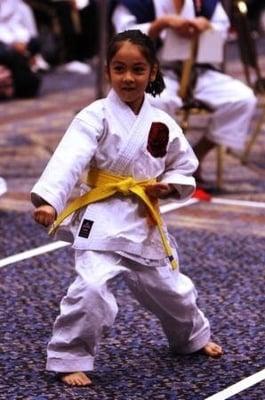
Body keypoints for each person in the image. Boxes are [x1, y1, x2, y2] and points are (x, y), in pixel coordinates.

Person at [31, 29, 222, 387]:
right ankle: (69, 355)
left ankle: (190, 338)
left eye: (137, 69)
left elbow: (183, 165)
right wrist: (48, 200)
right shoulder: (94, 116)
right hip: (101, 216)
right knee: (90, 288)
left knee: (172, 290)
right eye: (119, 69)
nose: (128, 78)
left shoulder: (161, 121)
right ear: (108, 72)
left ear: (152, 72)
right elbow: (69, 160)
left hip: (141, 217)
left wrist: (172, 186)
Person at [110, 0, 257, 183]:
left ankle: (195, 156)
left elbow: (222, 28)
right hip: (156, 71)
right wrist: (159, 25)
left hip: (200, 70)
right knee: (155, 103)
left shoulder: (204, 3)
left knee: (242, 99)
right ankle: (157, 165)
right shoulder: (136, 3)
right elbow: (121, 37)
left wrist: (206, 26)